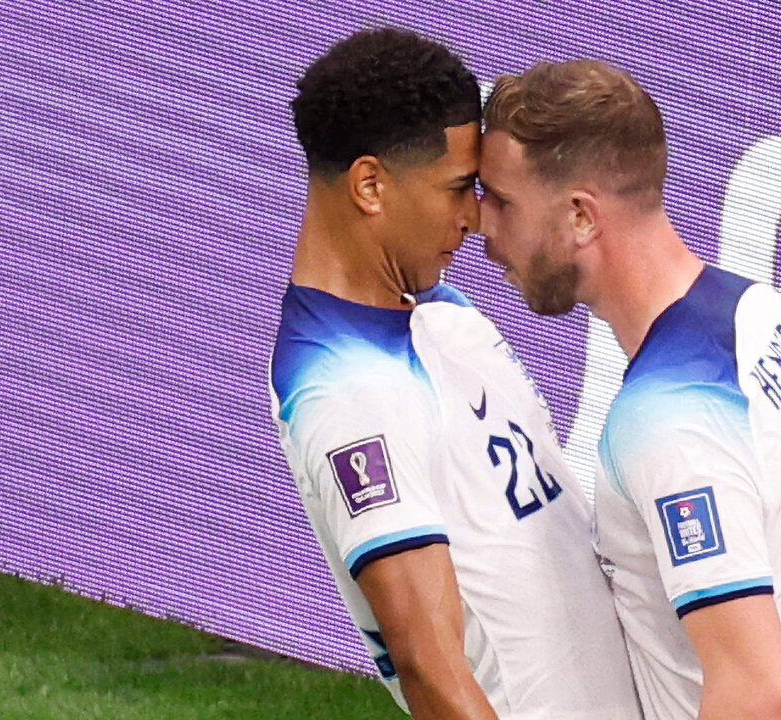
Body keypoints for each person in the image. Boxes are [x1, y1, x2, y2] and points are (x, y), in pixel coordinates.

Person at [477, 59, 781, 720]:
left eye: (501, 201)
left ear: (579, 216)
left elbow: (756, 688)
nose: (483, 230)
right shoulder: (779, 321)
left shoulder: (669, 426)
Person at [267, 31, 641, 720]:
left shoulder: (442, 310)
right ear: (370, 185)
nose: (473, 217)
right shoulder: (347, 393)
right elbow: (431, 669)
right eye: (455, 190)